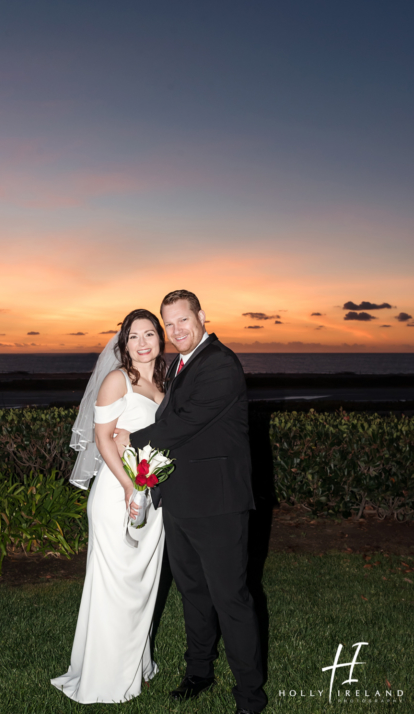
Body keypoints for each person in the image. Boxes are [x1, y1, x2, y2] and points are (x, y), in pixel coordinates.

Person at [114, 290, 268, 714]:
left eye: (183, 320)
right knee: (194, 594)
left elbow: (186, 422)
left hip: (218, 505)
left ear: (202, 316)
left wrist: (134, 439)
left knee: (230, 599)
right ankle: (198, 672)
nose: (176, 330)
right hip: (179, 501)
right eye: (170, 324)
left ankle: (250, 697)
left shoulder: (220, 363)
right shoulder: (180, 364)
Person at [51, 309, 166, 704]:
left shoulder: (166, 382)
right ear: (123, 343)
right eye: (134, 336)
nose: (142, 343)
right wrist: (126, 487)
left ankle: (136, 663)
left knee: (142, 585)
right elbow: (103, 439)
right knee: (115, 585)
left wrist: (145, 485)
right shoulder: (117, 380)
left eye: (149, 334)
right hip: (118, 493)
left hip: (152, 493)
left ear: (159, 339)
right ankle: (107, 677)